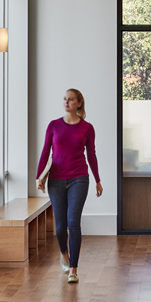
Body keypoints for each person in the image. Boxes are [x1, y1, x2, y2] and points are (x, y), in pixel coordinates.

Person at [35, 88, 103, 284]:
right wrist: (38, 177)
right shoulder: (53, 125)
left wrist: (97, 179)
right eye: (64, 99)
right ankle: (63, 253)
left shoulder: (87, 128)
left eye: (70, 99)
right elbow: (45, 153)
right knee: (59, 227)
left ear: (79, 103)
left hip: (79, 178)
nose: (66, 102)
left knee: (73, 223)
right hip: (56, 180)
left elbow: (91, 155)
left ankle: (74, 268)